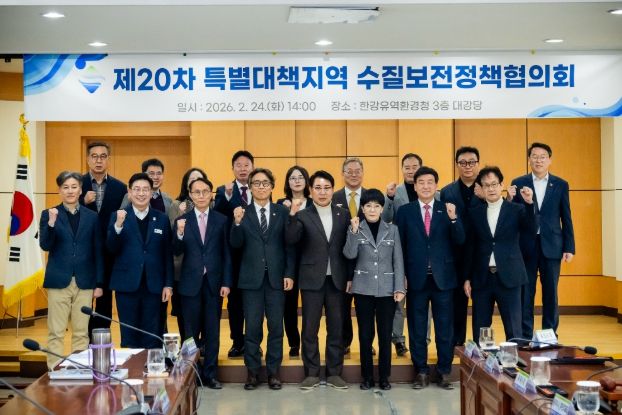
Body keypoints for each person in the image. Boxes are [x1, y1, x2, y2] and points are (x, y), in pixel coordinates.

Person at [395, 166, 464, 390]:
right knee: (416, 328)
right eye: (421, 182)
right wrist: (401, 276)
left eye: (430, 182)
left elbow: (460, 241)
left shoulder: (448, 209)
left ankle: (444, 371)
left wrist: (454, 220)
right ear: (414, 186)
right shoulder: (404, 212)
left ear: (436, 186)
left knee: (445, 328)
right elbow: (399, 247)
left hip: (444, 279)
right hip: (416, 279)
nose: (426, 186)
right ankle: (421, 371)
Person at [231, 168, 295, 391]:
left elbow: (289, 246)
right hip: (251, 280)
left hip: (276, 279)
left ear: (272, 186)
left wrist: (289, 273)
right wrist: (236, 223)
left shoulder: (282, 212)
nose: (261, 187)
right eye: (256, 183)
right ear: (250, 187)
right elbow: (235, 244)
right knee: (252, 328)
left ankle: (274, 372)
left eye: (265, 183)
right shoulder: (242, 212)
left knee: (276, 327)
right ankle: (252, 372)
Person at [286, 170, 350, 390]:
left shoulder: (343, 214)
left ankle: (334, 373)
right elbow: (291, 240)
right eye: (318, 188)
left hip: (337, 279)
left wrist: (350, 277)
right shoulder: (303, 214)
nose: (322, 192)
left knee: (336, 328)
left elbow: (348, 248)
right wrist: (292, 215)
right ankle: (311, 373)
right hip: (311, 279)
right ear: (311, 191)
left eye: (327, 188)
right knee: (309, 329)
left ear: (333, 190)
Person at [509, 142, 575, 339]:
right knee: (526, 293)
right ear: (529, 159)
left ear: (549, 160)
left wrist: (569, 247)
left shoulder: (561, 184)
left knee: (550, 292)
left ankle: (549, 334)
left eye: (542, 156)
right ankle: (525, 335)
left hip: (552, 245)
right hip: (526, 246)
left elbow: (566, 217)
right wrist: (510, 199)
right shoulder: (518, 182)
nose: (538, 160)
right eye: (534, 156)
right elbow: (514, 216)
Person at [342, 188, 405, 391]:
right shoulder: (355, 227)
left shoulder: (392, 229)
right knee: (365, 335)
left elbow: (398, 260)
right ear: (362, 208)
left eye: (376, 206)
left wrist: (399, 288)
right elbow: (349, 254)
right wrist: (353, 232)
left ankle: (384, 376)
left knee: (385, 335)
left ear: (382, 208)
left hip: (387, 289)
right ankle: (367, 376)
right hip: (363, 289)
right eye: (368, 206)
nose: (372, 209)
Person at [39, 171, 103, 369]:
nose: (70, 191)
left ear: (80, 190)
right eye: (65, 187)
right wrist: (51, 224)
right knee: (56, 332)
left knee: (81, 332)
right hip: (59, 281)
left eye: (74, 187)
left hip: (85, 281)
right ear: (59, 190)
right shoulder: (49, 214)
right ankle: (54, 371)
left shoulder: (92, 217)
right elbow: (45, 245)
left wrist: (99, 283)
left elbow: (98, 251)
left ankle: (81, 371)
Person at [464, 166, 536, 343]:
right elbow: (470, 247)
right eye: (486, 185)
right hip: (482, 278)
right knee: (481, 329)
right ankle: (483, 360)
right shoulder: (475, 213)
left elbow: (531, 229)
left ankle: (514, 360)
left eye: (494, 184)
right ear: (481, 188)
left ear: (501, 185)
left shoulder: (516, 209)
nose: (491, 189)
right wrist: (467, 278)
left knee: (514, 329)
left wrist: (529, 204)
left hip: (510, 276)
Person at [173, 177, 231, 389]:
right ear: (190, 195)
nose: (201, 195)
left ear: (211, 194)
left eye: (205, 191)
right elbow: (175, 251)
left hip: (214, 284)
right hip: (189, 284)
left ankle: (210, 374)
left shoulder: (221, 220)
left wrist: (226, 282)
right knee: (190, 333)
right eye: (196, 192)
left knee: (212, 331)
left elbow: (227, 254)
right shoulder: (182, 220)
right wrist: (179, 234)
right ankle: (192, 374)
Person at [106, 173, 173, 348]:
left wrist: (168, 284)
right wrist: (118, 226)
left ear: (151, 192)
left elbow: (167, 254)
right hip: (126, 285)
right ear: (129, 192)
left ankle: (151, 365)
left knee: (153, 334)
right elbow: (111, 248)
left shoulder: (162, 219)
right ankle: (132, 365)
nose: (141, 193)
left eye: (145, 189)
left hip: (154, 286)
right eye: (136, 189)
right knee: (129, 335)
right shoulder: (118, 216)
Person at [79, 141, 127, 341]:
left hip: (109, 254)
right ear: (88, 159)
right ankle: (84, 343)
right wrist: (82, 202)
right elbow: (68, 211)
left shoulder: (120, 187)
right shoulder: (77, 184)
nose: (98, 160)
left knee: (105, 302)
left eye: (103, 156)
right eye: (94, 156)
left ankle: (100, 344)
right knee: (82, 301)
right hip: (83, 252)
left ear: (108, 159)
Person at [440, 146, 485, 347]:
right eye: (463, 162)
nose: (468, 166)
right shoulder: (447, 191)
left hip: (482, 253)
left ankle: (479, 346)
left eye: (472, 162)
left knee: (481, 302)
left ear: (478, 164)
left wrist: (483, 197)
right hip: (456, 254)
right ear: (457, 165)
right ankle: (456, 344)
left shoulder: (487, 188)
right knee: (457, 303)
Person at [382, 152, 423, 357]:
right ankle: (398, 339)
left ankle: (423, 339)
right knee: (398, 298)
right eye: (407, 167)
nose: (411, 171)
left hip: (423, 252)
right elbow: (385, 218)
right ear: (402, 169)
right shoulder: (395, 192)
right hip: (399, 249)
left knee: (422, 300)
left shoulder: (433, 192)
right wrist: (388, 198)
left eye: (415, 167)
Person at [214, 150, 254, 358]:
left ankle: (253, 342)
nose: (243, 169)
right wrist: (228, 197)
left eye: (246, 165)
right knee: (235, 303)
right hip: (233, 254)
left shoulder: (259, 188)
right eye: (238, 165)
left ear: (252, 167)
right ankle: (237, 342)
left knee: (253, 303)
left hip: (254, 254)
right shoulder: (223, 190)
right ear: (232, 168)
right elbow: (218, 216)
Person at [168, 167, 209, 343]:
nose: (196, 182)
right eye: (192, 180)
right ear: (187, 185)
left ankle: (204, 346)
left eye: (200, 179)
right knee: (185, 314)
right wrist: (182, 214)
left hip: (205, 269)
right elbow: (172, 234)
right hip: (182, 269)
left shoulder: (210, 204)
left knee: (206, 313)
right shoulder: (176, 205)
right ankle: (189, 347)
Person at [276, 165, 312, 358]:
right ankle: (293, 342)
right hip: (287, 261)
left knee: (310, 305)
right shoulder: (280, 204)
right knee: (288, 305)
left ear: (306, 181)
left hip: (310, 260)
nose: (297, 181)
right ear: (287, 182)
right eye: (292, 178)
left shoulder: (314, 203)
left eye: (300, 177)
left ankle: (308, 341)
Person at [332, 157, 366, 355]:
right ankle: (344, 342)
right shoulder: (333, 197)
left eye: (357, 171)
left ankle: (366, 343)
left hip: (366, 261)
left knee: (365, 308)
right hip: (341, 261)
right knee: (342, 307)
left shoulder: (371, 196)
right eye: (349, 171)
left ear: (363, 173)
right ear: (342, 174)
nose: (353, 174)